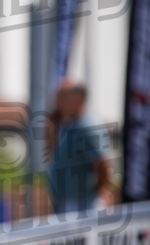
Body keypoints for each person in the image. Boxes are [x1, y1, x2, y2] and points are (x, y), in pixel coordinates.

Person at [48, 80, 119, 216]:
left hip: (83, 207)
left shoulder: (88, 127)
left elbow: (104, 167)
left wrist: (100, 197)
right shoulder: (70, 126)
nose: (58, 102)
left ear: (79, 98)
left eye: (63, 96)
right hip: (69, 207)